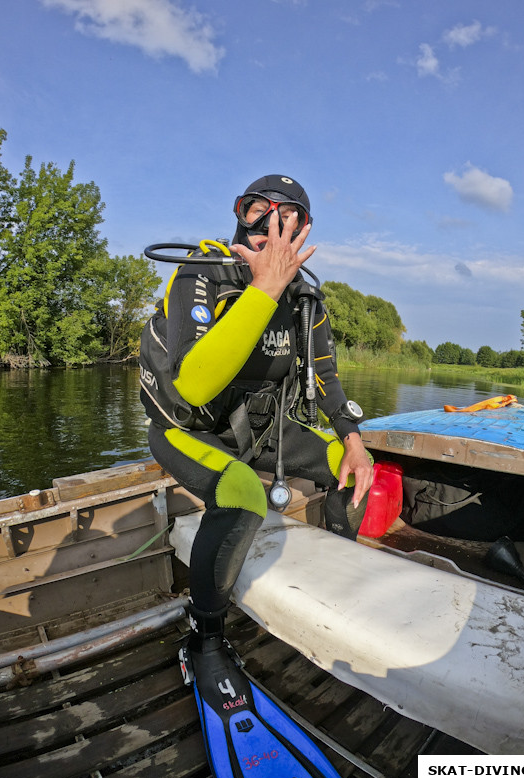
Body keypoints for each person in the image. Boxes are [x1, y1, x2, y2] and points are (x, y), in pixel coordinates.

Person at [140, 174, 373, 648]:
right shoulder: (203, 272)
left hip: (263, 430)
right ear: (239, 215)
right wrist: (264, 289)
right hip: (190, 427)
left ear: (304, 230)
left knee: (349, 468)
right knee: (243, 493)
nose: (271, 226)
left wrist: (354, 440)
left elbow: (325, 374)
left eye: (289, 218)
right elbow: (193, 384)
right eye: (258, 210)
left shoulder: (305, 298)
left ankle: (332, 587)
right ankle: (203, 634)